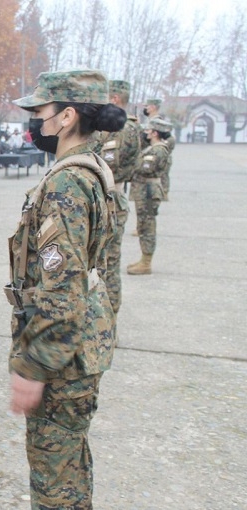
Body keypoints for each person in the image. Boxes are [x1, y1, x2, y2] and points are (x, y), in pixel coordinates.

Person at [6, 69, 124, 510]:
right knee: (70, 465)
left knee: (54, 478)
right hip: (86, 347)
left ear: (67, 116)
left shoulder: (65, 184)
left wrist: (35, 369)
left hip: (65, 359)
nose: (33, 125)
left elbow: (62, 288)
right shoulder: (97, 168)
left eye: (38, 115)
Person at [95, 80, 141, 329]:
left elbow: (109, 165)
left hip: (111, 198)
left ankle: (109, 327)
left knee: (108, 266)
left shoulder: (122, 129)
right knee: (101, 265)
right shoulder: (117, 126)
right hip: (107, 197)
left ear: (113, 99)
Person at [127, 117, 171, 276]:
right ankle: (144, 259)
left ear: (155, 133)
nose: (146, 133)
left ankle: (146, 262)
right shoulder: (153, 148)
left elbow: (144, 168)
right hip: (144, 191)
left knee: (147, 227)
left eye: (148, 131)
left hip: (148, 191)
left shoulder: (158, 150)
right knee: (143, 225)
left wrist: (131, 164)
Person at [142, 98, 174, 200]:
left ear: (153, 107)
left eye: (147, 106)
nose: (145, 108)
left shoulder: (158, 122)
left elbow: (170, 139)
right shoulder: (150, 121)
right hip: (151, 154)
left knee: (160, 177)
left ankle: (162, 195)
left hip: (157, 155)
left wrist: (160, 148)